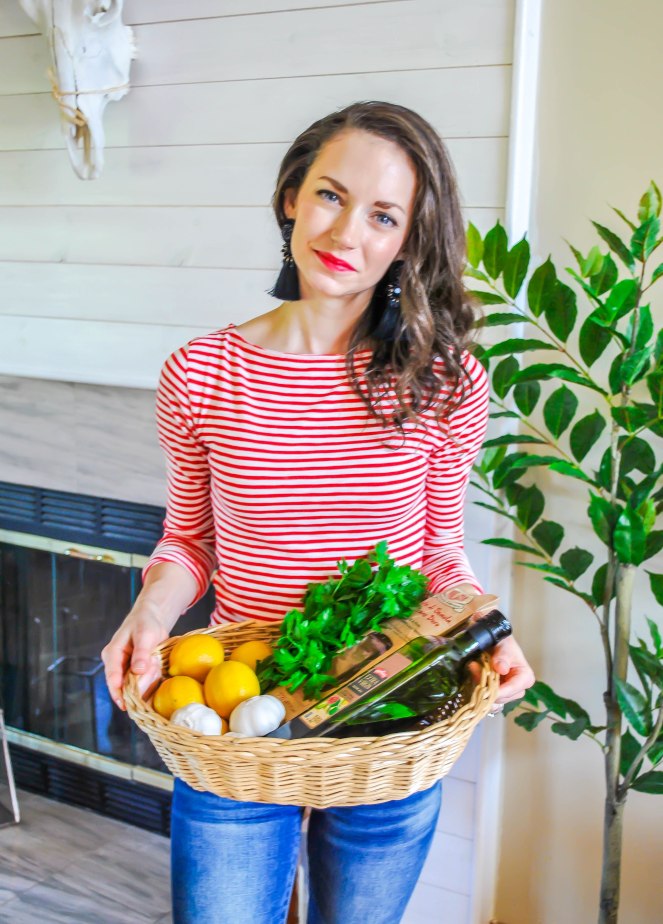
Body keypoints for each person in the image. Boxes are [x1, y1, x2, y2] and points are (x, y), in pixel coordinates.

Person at [102, 101, 534, 924]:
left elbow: (439, 545)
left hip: (390, 706)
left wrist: (490, 622)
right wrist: (147, 617)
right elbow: (189, 539)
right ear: (292, 196)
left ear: (408, 239)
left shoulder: (444, 382)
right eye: (331, 196)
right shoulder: (202, 374)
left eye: (383, 215)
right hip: (236, 711)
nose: (347, 234)